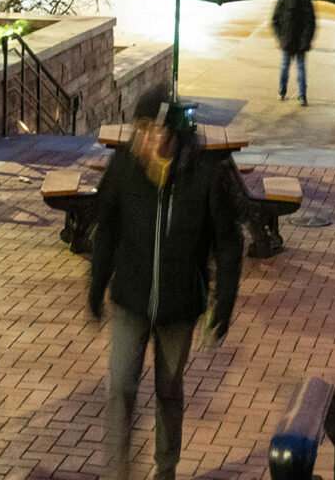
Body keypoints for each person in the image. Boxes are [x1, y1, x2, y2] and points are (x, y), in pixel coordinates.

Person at [90, 87, 244, 480]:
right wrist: (97, 283)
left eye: (154, 129)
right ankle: (116, 472)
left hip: (179, 306)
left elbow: (228, 243)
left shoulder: (206, 175)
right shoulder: (125, 168)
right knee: (121, 386)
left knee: (168, 391)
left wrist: (222, 304)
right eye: (140, 129)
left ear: (175, 133)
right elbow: (106, 226)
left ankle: (166, 469)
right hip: (129, 298)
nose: (145, 138)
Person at [272, 0, 316, 106]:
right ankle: (302, 96)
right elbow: (311, 23)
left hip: (288, 42)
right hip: (299, 43)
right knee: (299, 68)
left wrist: (281, 38)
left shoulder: (283, 0)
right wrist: (307, 40)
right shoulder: (306, 1)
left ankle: (283, 91)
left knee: (285, 67)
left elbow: (275, 20)